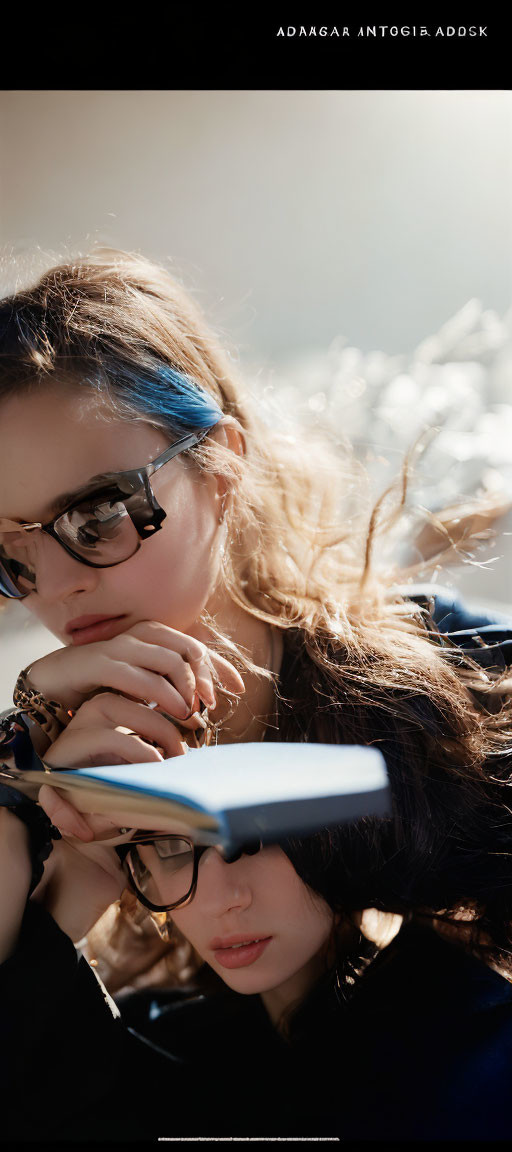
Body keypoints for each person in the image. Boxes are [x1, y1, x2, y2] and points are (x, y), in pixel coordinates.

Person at [1, 248, 512, 1141]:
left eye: (96, 517)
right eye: (8, 557)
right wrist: (32, 801)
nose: (56, 587)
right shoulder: (60, 756)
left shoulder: (443, 664)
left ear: (222, 461)